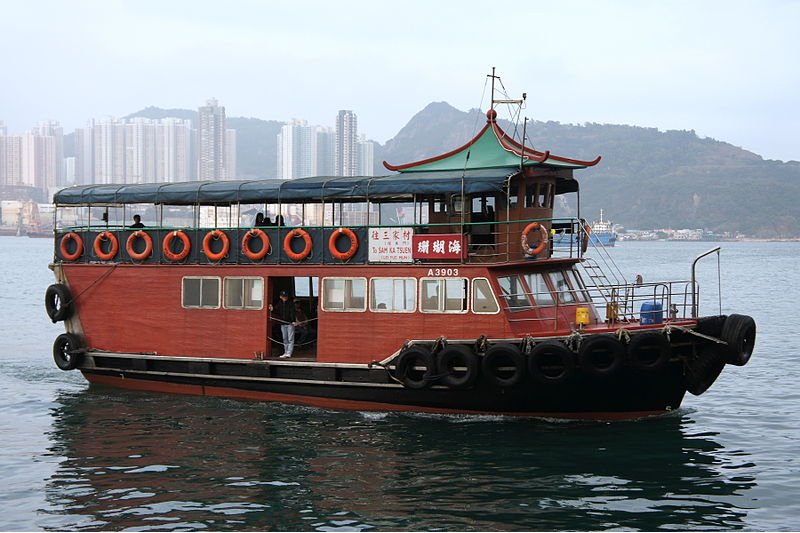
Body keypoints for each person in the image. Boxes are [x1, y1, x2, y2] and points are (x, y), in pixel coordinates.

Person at [269, 290, 296, 358]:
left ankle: (289, 352)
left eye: (286, 296)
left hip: (290, 323)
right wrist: (272, 309)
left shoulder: (290, 303)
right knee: (285, 338)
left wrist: (293, 321)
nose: (285, 297)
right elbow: (277, 311)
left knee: (290, 338)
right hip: (282, 323)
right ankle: (285, 352)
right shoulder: (279, 304)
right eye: (283, 296)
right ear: (280, 297)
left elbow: (292, 312)